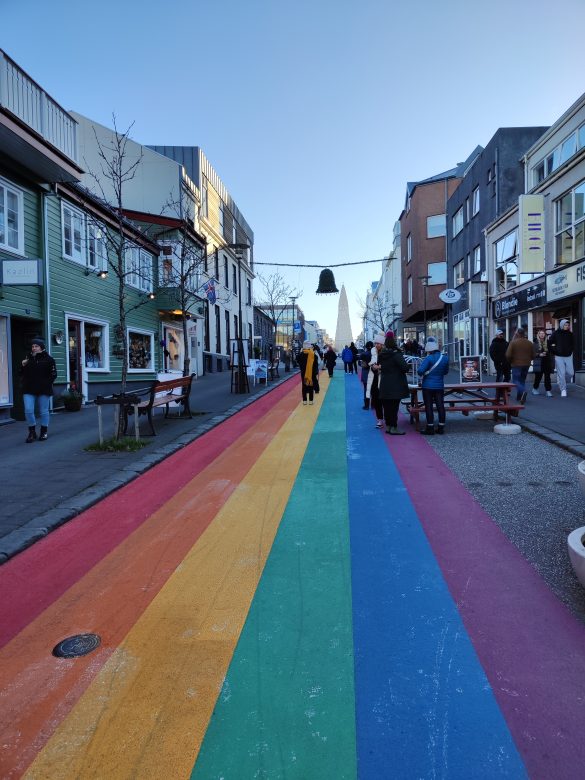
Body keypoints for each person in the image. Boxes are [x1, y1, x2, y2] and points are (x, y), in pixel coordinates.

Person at [20, 337, 57, 443]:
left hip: (43, 389)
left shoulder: (49, 359)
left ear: (41, 347)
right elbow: (21, 373)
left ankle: (43, 431)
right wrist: (22, 365)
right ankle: (32, 432)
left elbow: (54, 375)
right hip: (28, 388)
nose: (34, 348)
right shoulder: (28, 358)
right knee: (28, 410)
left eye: (36, 346)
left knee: (44, 411)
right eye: (32, 346)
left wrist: (46, 384)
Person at [377, 334, 409, 435]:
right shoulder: (396, 354)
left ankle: (389, 426)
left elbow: (381, 367)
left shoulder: (382, 354)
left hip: (384, 384)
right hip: (395, 384)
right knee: (394, 407)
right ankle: (394, 427)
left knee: (386, 407)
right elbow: (404, 368)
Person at [417, 337, 450, 435]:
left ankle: (430, 428)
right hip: (439, 386)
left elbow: (420, 371)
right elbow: (446, 372)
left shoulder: (428, 358)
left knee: (429, 406)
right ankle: (441, 427)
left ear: (429, 350)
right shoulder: (444, 358)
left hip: (427, 387)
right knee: (440, 406)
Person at [505, 327, 534, 404]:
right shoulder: (529, 343)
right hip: (526, 364)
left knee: (516, 381)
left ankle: (523, 391)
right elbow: (533, 355)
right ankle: (519, 397)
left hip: (516, 364)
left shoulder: (513, 342)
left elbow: (508, 355)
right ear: (524, 333)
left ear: (517, 333)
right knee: (522, 380)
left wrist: (510, 361)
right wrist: (529, 360)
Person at [548, 319, 574, 397]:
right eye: (565, 325)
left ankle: (560, 378)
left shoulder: (570, 334)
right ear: (562, 325)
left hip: (568, 356)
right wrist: (555, 351)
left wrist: (570, 350)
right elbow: (550, 343)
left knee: (571, 373)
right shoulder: (556, 333)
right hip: (559, 356)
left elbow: (573, 344)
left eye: (568, 325)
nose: (567, 326)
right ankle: (563, 389)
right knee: (562, 373)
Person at [366, 333, 386, 428]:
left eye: (379, 343)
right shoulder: (372, 352)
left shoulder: (386, 353)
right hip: (374, 379)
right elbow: (370, 361)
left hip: (383, 379)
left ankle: (387, 418)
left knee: (385, 400)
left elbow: (389, 365)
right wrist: (371, 365)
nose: (377, 345)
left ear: (382, 344)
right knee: (377, 400)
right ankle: (379, 420)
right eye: (376, 343)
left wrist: (379, 367)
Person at [532, 329, 553, 397]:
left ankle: (548, 390)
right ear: (538, 334)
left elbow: (551, 351)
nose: (542, 334)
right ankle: (535, 388)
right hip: (539, 362)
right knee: (538, 377)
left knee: (547, 377)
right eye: (540, 333)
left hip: (547, 362)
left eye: (543, 333)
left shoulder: (548, 342)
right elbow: (532, 354)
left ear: (545, 335)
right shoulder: (535, 343)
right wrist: (539, 354)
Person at [296, 340, 319, 405]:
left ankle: (304, 401)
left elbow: (297, 360)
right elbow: (316, 364)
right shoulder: (313, 354)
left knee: (304, 386)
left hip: (303, 373)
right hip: (311, 372)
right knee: (311, 385)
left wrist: (301, 351)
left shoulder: (301, 354)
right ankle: (311, 401)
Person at [359, 341, 373, 409]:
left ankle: (366, 405)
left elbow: (359, 363)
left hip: (366, 374)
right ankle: (373, 405)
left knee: (366, 390)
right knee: (374, 390)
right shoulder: (375, 354)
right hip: (374, 374)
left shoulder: (363, 354)